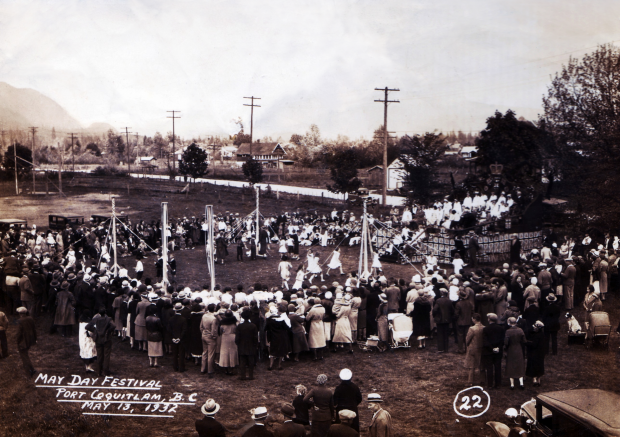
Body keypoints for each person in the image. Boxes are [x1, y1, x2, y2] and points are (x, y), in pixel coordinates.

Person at [86, 306, 115, 377]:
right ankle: (106, 371)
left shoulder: (96, 319)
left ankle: (99, 372)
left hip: (98, 339)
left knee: (99, 356)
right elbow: (113, 326)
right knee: (106, 356)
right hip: (106, 339)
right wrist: (108, 331)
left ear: (99, 313)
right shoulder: (108, 319)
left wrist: (95, 331)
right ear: (105, 313)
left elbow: (87, 326)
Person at [482, 313, 504, 389]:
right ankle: (498, 384)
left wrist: (492, 348)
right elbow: (502, 340)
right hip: (498, 351)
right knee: (498, 367)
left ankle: (490, 385)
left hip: (488, 352)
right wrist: (498, 348)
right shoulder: (501, 328)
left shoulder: (485, 329)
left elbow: (485, 341)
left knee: (489, 368)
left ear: (489, 319)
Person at [266, 307, 291, 371]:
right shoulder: (281, 320)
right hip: (281, 336)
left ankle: (270, 365)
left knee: (272, 351)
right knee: (281, 350)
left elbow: (266, 329)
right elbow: (287, 328)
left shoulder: (269, 320)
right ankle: (279, 365)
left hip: (273, 336)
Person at [504, 317, 526, 390]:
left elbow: (506, 342)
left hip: (511, 349)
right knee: (520, 365)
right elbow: (524, 340)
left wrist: (505, 348)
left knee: (511, 365)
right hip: (519, 348)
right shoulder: (520, 330)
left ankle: (512, 384)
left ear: (509, 322)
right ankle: (521, 383)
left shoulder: (508, 331)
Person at [236, 309, 258, 380]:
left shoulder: (240, 326)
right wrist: (255, 345)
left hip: (242, 345)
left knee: (242, 361)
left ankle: (243, 376)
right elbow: (255, 337)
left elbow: (237, 338)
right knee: (251, 361)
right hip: (251, 345)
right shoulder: (253, 326)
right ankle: (251, 375)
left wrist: (238, 344)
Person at [16, 306, 37, 377]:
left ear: (20, 313)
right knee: (26, 355)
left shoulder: (20, 321)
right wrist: (35, 339)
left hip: (23, 341)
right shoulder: (30, 319)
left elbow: (19, 333)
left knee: (24, 356)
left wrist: (17, 341)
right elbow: (34, 329)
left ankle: (29, 373)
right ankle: (32, 369)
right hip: (30, 340)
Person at [464, 313, 484, 386]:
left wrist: (467, 345)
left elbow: (467, 339)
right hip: (481, 348)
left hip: (473, 349)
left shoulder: (472, 328)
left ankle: (470, 382)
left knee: (471, 366)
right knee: (481, 365)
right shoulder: (484, 327)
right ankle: (482, 380)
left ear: (474, 319)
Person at [168, 302, 188, 373]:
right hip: (181, 339)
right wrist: (179, 338)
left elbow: (169, 330)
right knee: (181, 353)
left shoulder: (171, 319)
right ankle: (181, 368)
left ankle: (175, 367)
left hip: (174, 338)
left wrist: (173, 337)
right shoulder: (183, 319)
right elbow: (184, 330)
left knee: (175, 353)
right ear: (181, 310)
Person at [433, 289, 454, 353]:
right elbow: (452, 311)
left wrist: (435, 316)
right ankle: (446, 348)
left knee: (440, 334)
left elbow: (434, 309)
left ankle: (440, 348)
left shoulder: (438, 300)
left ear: (441, 293)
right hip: (447, 319)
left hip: (440, 319)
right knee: (446, 334)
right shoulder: (449, 301)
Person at [200, 303, 219, 378]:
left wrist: (203, 333)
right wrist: (214, 337)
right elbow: (214, 330)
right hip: (210, 337)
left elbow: (201, 326)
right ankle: (210, 370)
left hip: (204, 335)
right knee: (211, 354)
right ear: (214, 309)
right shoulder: (213, 318)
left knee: (204, 353)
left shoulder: (204, 315)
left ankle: (203, 369)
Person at [218, 310, 238, 375]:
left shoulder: (222, 322)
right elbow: (236, 330)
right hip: (232, 337)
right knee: (232, 352)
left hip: (225, 337)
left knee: (225, 352)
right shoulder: (234, 322)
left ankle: (225, 368)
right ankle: (231, 369)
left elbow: (220, 331)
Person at [526, 320, 546, 387]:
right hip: (540, 354)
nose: (533, 328)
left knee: (533, 365)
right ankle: (538, 379)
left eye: (535, 327)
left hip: (534, 353)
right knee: (540, 365)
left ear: (538, 328)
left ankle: (534, 379)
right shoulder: (542, 335)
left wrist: (526, 342)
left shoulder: (536, 336)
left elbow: (533, 344)